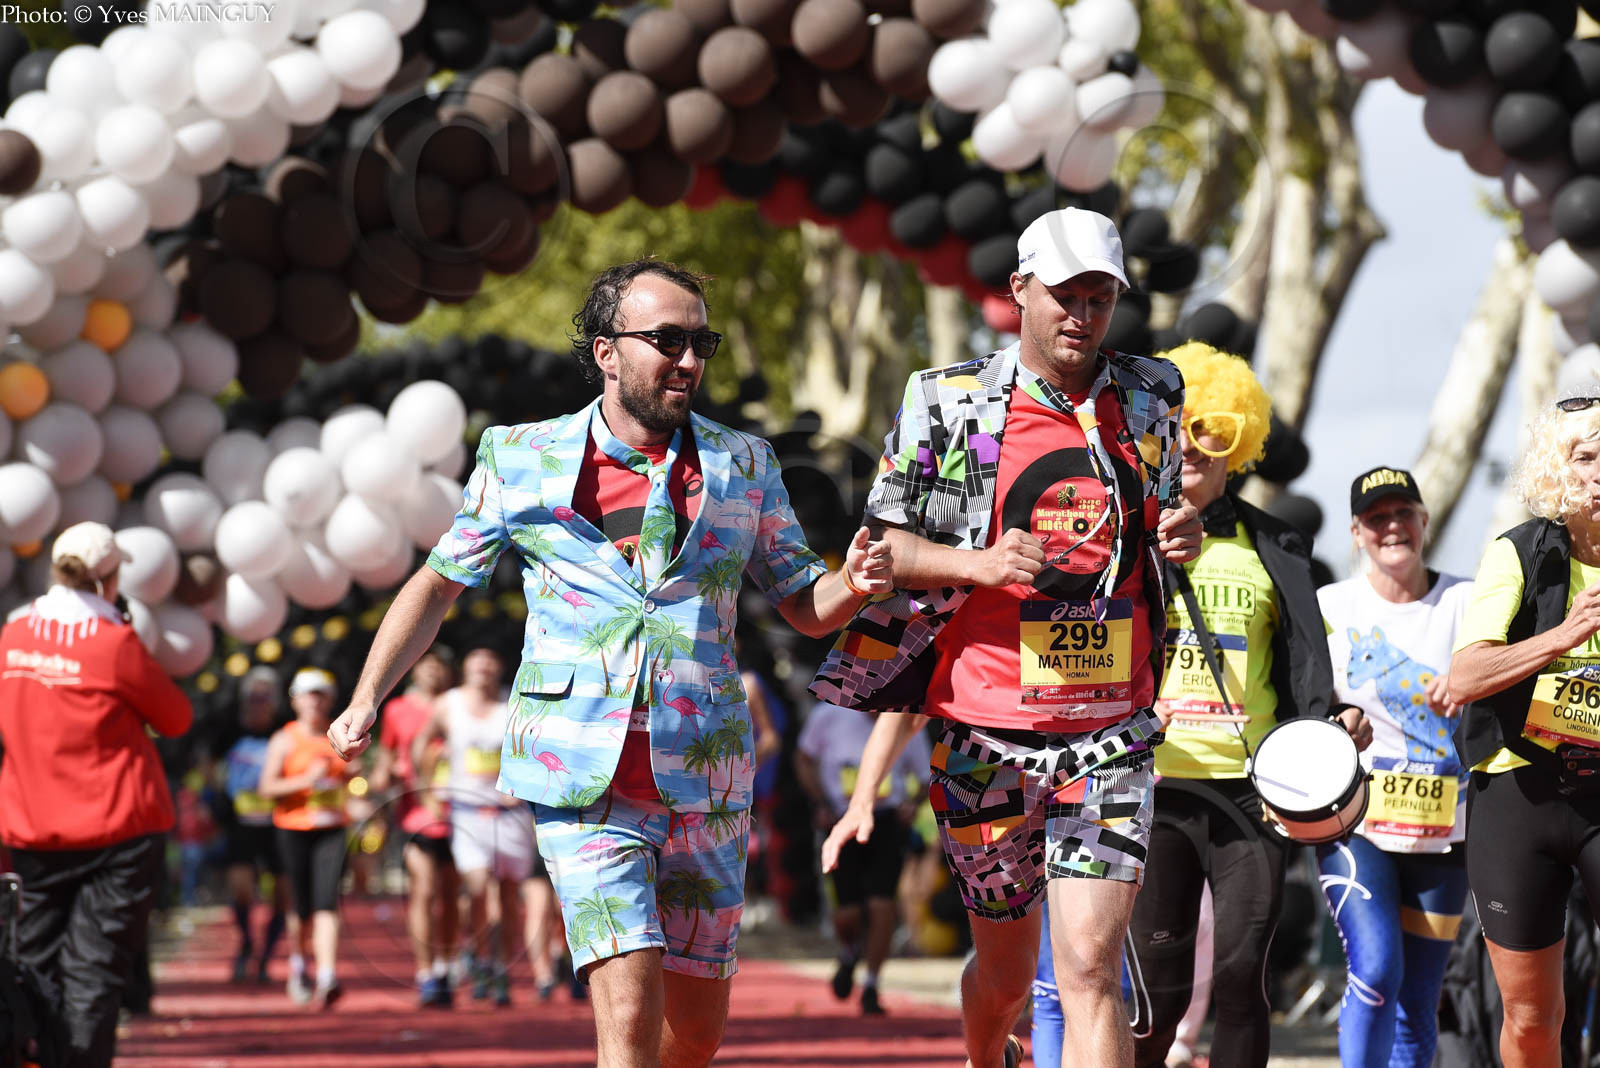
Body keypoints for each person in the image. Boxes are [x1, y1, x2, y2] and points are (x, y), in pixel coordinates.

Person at [327, 258, 893, 1068]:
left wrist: (856, 583)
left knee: (693, 1035)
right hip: (581, 779)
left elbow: (805, 603)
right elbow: (438, 583)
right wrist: (367, 697)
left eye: (701, 344)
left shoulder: (745, 463)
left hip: (706, 776)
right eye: (668, 340)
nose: (688, 360)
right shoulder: (520, 457)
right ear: (606, 352)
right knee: (626, 1013)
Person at [814, 208, 1204, 1068]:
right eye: (1065, 295)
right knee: (1006, 975)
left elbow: (1161, 517)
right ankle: (986, 1054)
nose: (1083, 316)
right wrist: (980, 564)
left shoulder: (1152, 392)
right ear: (1019, 289)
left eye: (1100, 298)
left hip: (1111, 732)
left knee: (1090, 970)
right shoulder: (946, 400)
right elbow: (881, 552)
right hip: (982, 738)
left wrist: (1183, 530)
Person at [1125, 343, 1370, 1068]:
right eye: (1177, 428)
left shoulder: (1277, 545)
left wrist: (1332, 722)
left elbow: (1302, 664)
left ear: (1240, 446)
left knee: (1241, 983)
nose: (1192, 446)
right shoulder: (1122, 539)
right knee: (1157, 1001)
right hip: (1154, 788)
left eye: (1214, 431)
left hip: (1253, 793)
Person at [0, 521, 193, 1067]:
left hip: (32, 828)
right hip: (119, 830)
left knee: (33, 963)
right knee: (94, 972)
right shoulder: (114, 644)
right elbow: (176, 718)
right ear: (108, 581)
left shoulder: (10, 640)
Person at [1449, 379, 1600, 1068]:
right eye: (1584, 458)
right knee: (1535, 1017)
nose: (1598, 474)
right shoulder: (1520, 552)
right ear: (1557, 469)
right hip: (1520, 791)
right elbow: (1465, 677)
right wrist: (1562, 637)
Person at [1317, 466, 1473, 1068]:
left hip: (1445, 833)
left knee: (1419, 999)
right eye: (1376, 518)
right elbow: (1306, 701)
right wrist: (1338, 720)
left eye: (1403, 513)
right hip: (1358, 826)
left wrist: (1470, 683)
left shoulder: (1466, 601)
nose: (1391, 527)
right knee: (1378, 970)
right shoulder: (1331, 606)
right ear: (1356, 533)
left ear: (1424, 521)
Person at [414, 645, 532, 1007]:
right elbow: (422, 744)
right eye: (476, 662)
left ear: (498, 668)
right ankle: (481, 958)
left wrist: (524, 785)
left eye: (489, 662)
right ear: (465, 669)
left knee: (509, 897)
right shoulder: (448, 704)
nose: (483, 668)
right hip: (467, 811)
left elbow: (534, 744)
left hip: (509, 813)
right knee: (478, 887)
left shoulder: (514, 700)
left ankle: (500, 967)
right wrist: (427, 791)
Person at [795, 701, 931, 1016]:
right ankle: (850, 950)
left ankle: (871, 983)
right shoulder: (828, 715)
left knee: (882, 904)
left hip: (886, 821)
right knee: (849, 914)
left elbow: (926, 777)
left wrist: (912, 804)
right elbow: (803, 758)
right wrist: (820, 802)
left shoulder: (904, 718)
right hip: (841, 819)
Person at [258, 667, 355, 1010]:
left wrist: (354, 779)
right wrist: (305, 781)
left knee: (327, 902)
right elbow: (267, 787)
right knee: (300, 908)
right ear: (295, 701)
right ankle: (299, 966)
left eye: (321, 695)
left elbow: (354, 781)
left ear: (330, 700)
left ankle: (327, 975)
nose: (315, 702)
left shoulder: (339, 735)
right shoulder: (284, 739)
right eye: (309, 695)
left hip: (333, 829)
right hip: (293, 829)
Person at [370, 644, 459, 1006]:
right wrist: (384, 775)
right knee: (424, 891)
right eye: (425, 666)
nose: (432, 672)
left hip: (459, 814)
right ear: (414, 670)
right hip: (415, 815)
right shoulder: (397, 710)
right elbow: (384, 762)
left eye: (438, 667)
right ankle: (426, 973)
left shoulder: (458, 706)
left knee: (452, 897)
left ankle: (446, 964)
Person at [218, 665, 290, 983]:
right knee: (241, 888)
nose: (258, 704)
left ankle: (266, 955)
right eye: (253, 698)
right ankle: (246, 942)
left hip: (280, 823)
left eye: (265, 698)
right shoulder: (228, 732)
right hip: (240, 824)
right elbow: (209, 768)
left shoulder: (285, 732)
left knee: (284, 895)